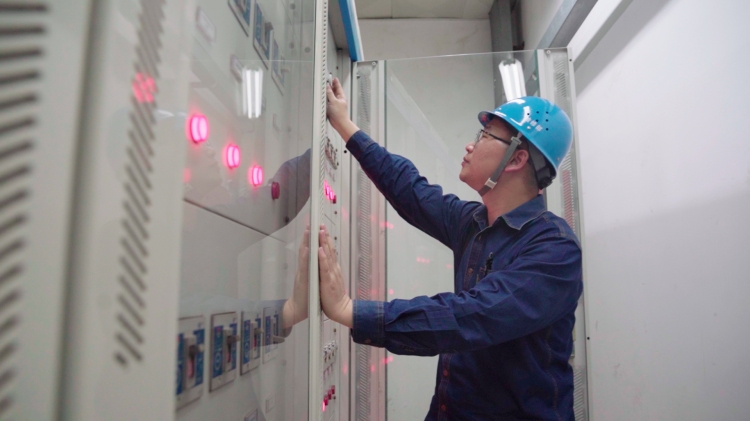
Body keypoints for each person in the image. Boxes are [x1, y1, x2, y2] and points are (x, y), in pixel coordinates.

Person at [318, 78, 583, 420]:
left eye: (485, 136)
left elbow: (472, 316)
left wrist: (349, 310)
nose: (471, 145)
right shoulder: (475, 222)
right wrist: (343, 123)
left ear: (517, 158)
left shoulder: (554, 249)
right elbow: (410, 190)